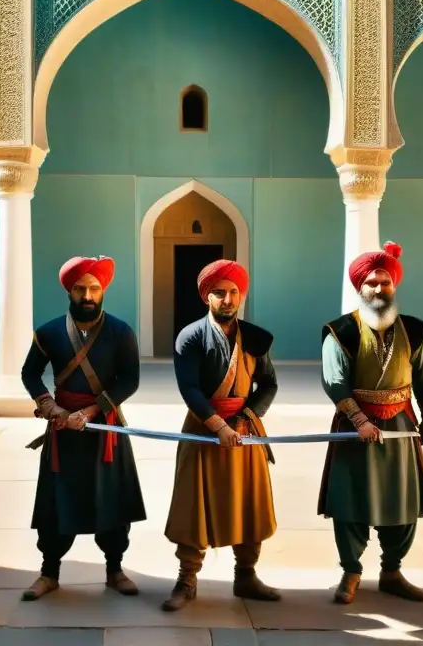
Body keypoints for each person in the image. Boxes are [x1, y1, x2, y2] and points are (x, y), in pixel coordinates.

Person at [317, 241, 423, 605]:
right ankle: (351, 572)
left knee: (400, 500)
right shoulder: (341, 331)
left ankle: (392, 571)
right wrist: (358, 420)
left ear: (394, 287)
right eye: (371, 283)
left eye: (384, 283)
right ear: (360, 287)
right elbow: (334, 381)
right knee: (351, 500)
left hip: (401, 428)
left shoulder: (414, 331)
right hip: (355, 429)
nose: (378, 289)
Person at [20, 255, 147, 601]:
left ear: (102, 290)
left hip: (105, 427)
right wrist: (49, 406)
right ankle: (49, 572)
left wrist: (91, 412)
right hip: (63, 429)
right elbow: (29, 373)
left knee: (111, 498)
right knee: (57, 500)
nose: (87, 295)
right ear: (70, 291)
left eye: (94, 288)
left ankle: (115, 569)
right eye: (80, 289)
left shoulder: (121, 332)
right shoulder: (47, 332)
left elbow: (130, 380)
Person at [161, 259, 280, 612]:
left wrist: (246, 417)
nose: (227, 299)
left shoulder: (256, 338)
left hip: (245, 431)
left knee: (249, 502)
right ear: (206, 297)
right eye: (219, 293)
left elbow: (269, 384)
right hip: (203, 429)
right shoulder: (191, 336)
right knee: (192, 506)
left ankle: (246, 575)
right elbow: (190, 389)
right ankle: (187, 579)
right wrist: (218, 426)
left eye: (233, 292)